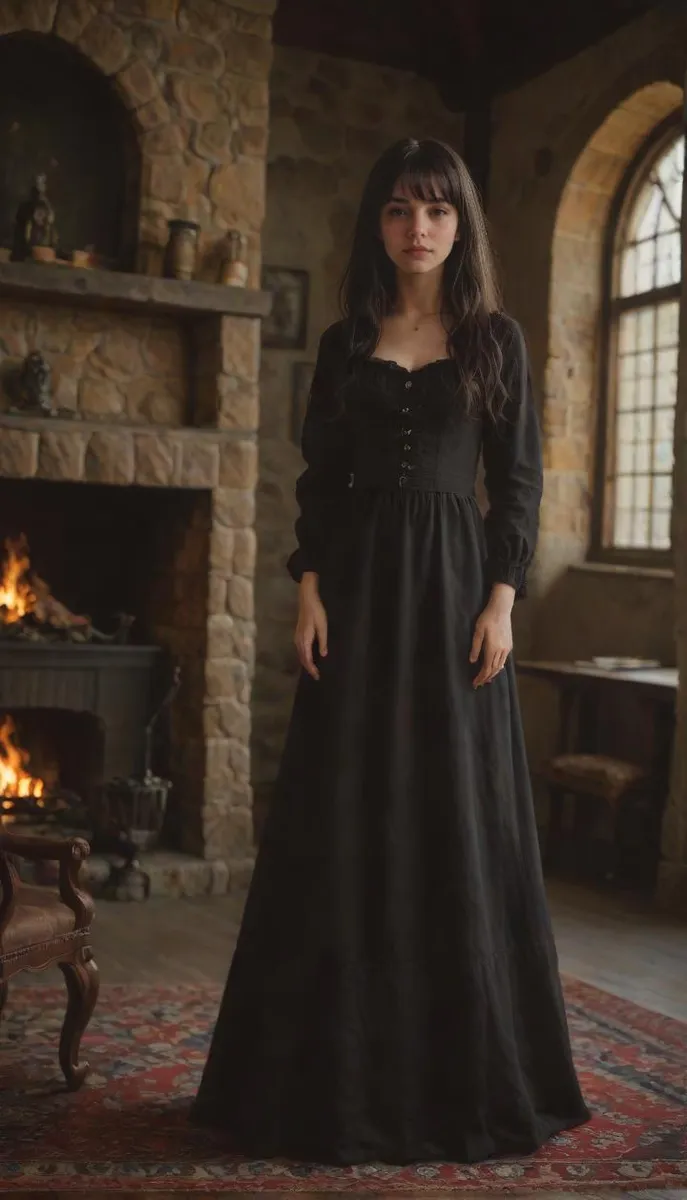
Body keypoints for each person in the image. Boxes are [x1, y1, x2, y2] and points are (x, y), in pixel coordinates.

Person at [191, 137, 591, 1165]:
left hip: (458, 597)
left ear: (462, 226)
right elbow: (320, 479)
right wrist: (308, 589)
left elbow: (523, 483)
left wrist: (503, 604)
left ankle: (462, 1076)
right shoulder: (344, 341)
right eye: (401, 210)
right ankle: (323, 1076)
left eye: (438, 211)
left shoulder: (496, 339)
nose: (420, 227)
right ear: (377, 224)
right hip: (359, 595)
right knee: (344, 811)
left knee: (453, 812)